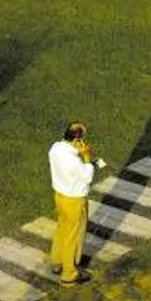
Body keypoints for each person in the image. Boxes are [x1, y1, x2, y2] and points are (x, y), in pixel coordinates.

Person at [48, 119, 100, 284]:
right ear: (77, 140)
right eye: (82, 140)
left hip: (60, 196)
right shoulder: (74, 161)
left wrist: (78, 154)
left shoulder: (55, 148)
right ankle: (69, 273)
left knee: (61, 228)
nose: (83, 143)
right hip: (74, 200)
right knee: (72, 235)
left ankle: (57, 261)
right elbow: (87, 177)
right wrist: (86, 157)